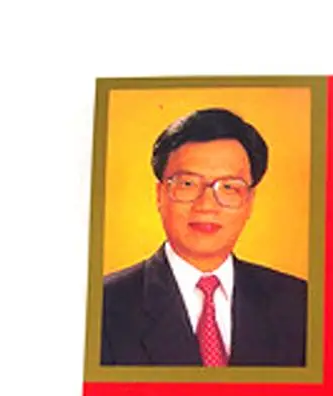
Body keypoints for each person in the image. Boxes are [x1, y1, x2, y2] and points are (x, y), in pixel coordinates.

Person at [100, 107, 307, 367]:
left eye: (229, 187)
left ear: (249, 202)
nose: (206, 205)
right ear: (160, 195)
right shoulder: (103, 305)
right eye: (187, 184)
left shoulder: (299, 303)